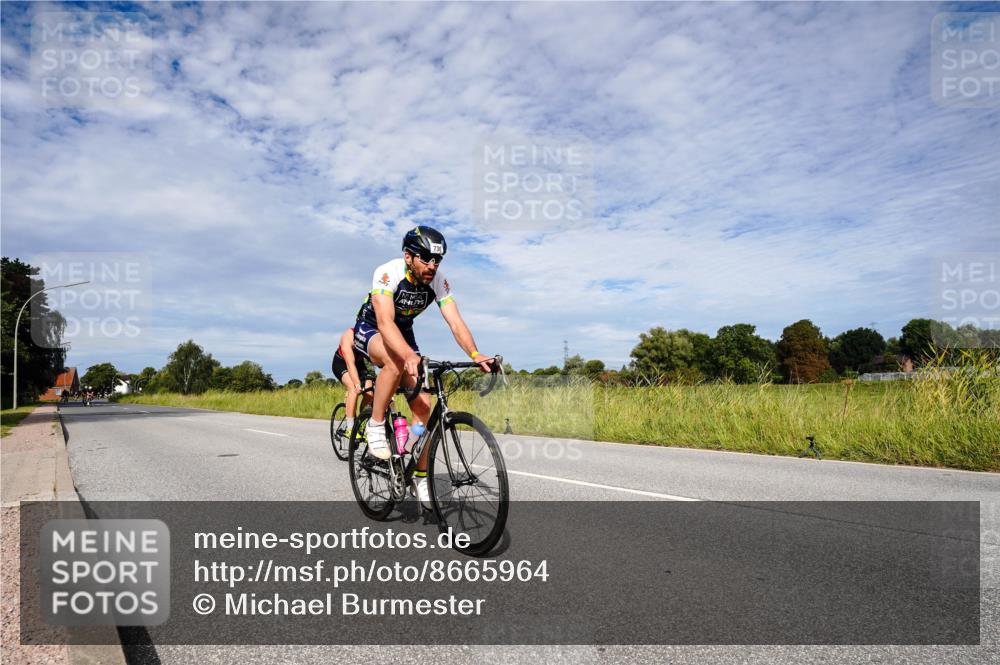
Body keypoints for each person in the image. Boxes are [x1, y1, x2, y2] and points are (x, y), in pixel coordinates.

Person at [352, 226, 494, 507]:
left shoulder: (438, 280)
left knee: (425, 413)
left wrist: (476, 354)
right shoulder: (387, 272)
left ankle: (418, 474)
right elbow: (384, 323)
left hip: (403, 334)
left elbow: (455, 322)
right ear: (408, 257)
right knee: (394, 360)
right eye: (425, 259)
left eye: (437, 261)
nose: (432, 266)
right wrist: (407, 356)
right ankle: (376, 423)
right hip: (371, 330)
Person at [331, 327, 373, 434]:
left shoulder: (370, 336)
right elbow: (350, 364)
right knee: (353, 389)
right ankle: (350, 429)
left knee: (370, 394)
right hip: (342, 363)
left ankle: (361, 422)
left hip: (359, 364)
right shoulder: (347, 337)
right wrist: (357, 384)